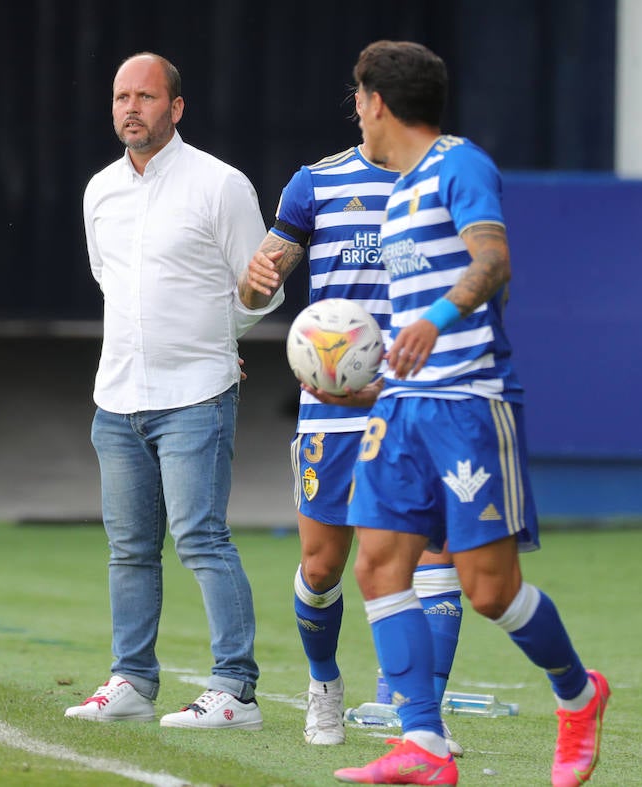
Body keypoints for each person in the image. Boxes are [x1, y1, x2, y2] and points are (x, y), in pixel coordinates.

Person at [333, 41, 608, 786]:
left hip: (469, 407)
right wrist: (359, 378)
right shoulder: (397, 194)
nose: (354, 112)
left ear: (378, 101)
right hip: (403, 405)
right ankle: (422, 743)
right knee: (377, 564)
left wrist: (436, 318)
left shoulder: (461, 165)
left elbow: (494, 262)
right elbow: (406, 329)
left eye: (356, 98)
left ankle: (579, 695)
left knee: (490, 591)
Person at [65, 52, 283, 731]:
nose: (131, 108)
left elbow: (259, 290)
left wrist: (222, 339)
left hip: (196, 392)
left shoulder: (219, 185)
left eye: (146, 97)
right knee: (129, 549)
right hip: (117, 396)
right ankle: (131, 678)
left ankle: (235, 689)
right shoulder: (99, 190)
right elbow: (112, 283)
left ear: (176, 107)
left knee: (200, 538)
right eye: (121, 96)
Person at [239, 145, 466, 750]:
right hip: (332, 412)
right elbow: (258, 290)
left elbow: (475, 288)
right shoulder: (314, 184)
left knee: (436, 561)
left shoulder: (447, 182)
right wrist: (255, 283)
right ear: (363, 103)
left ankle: (425, 715)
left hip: (417, 406)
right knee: (321, 567)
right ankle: (324, 686)